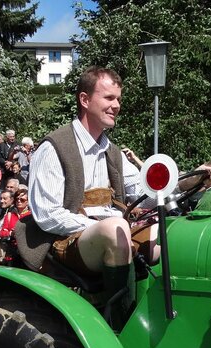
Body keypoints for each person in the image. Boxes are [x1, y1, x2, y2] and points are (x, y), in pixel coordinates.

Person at [22, 66, 143, 328]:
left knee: (163, 234)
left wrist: (181, 184)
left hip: (107, 232)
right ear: (85, 100)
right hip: (63, 242)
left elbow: (143, 191)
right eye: (109, 98)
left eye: (118, 99)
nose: (116, 105)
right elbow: (48, 215)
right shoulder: (54, 147)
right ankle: (120, 328)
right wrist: (100, 226)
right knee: (116, 230)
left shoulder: (112, 151)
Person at [0, 189, 30, 265]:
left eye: (22, 199)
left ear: (28, 201)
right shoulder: (9, 215)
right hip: (11, 253)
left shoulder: (31, 216)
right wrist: (10, 233)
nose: (19, 201)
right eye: (17, 199)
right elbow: (1, 233)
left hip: (26, 254)